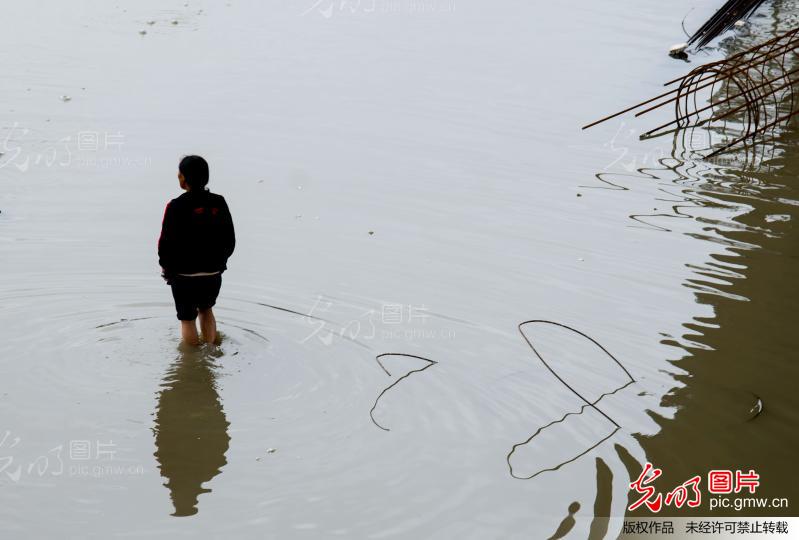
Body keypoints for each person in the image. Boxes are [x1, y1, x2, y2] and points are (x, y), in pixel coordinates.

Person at [158, 155, 235, 346]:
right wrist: (219, 264)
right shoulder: (219, 202)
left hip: (183, 275)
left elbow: (165, 244)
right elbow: (230, 239)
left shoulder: (175, 206)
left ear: (183, 178)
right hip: (212, 273)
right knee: (206, 310)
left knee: (187, 319)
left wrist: (167, 269)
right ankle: (210, 349)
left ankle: (192, 360)